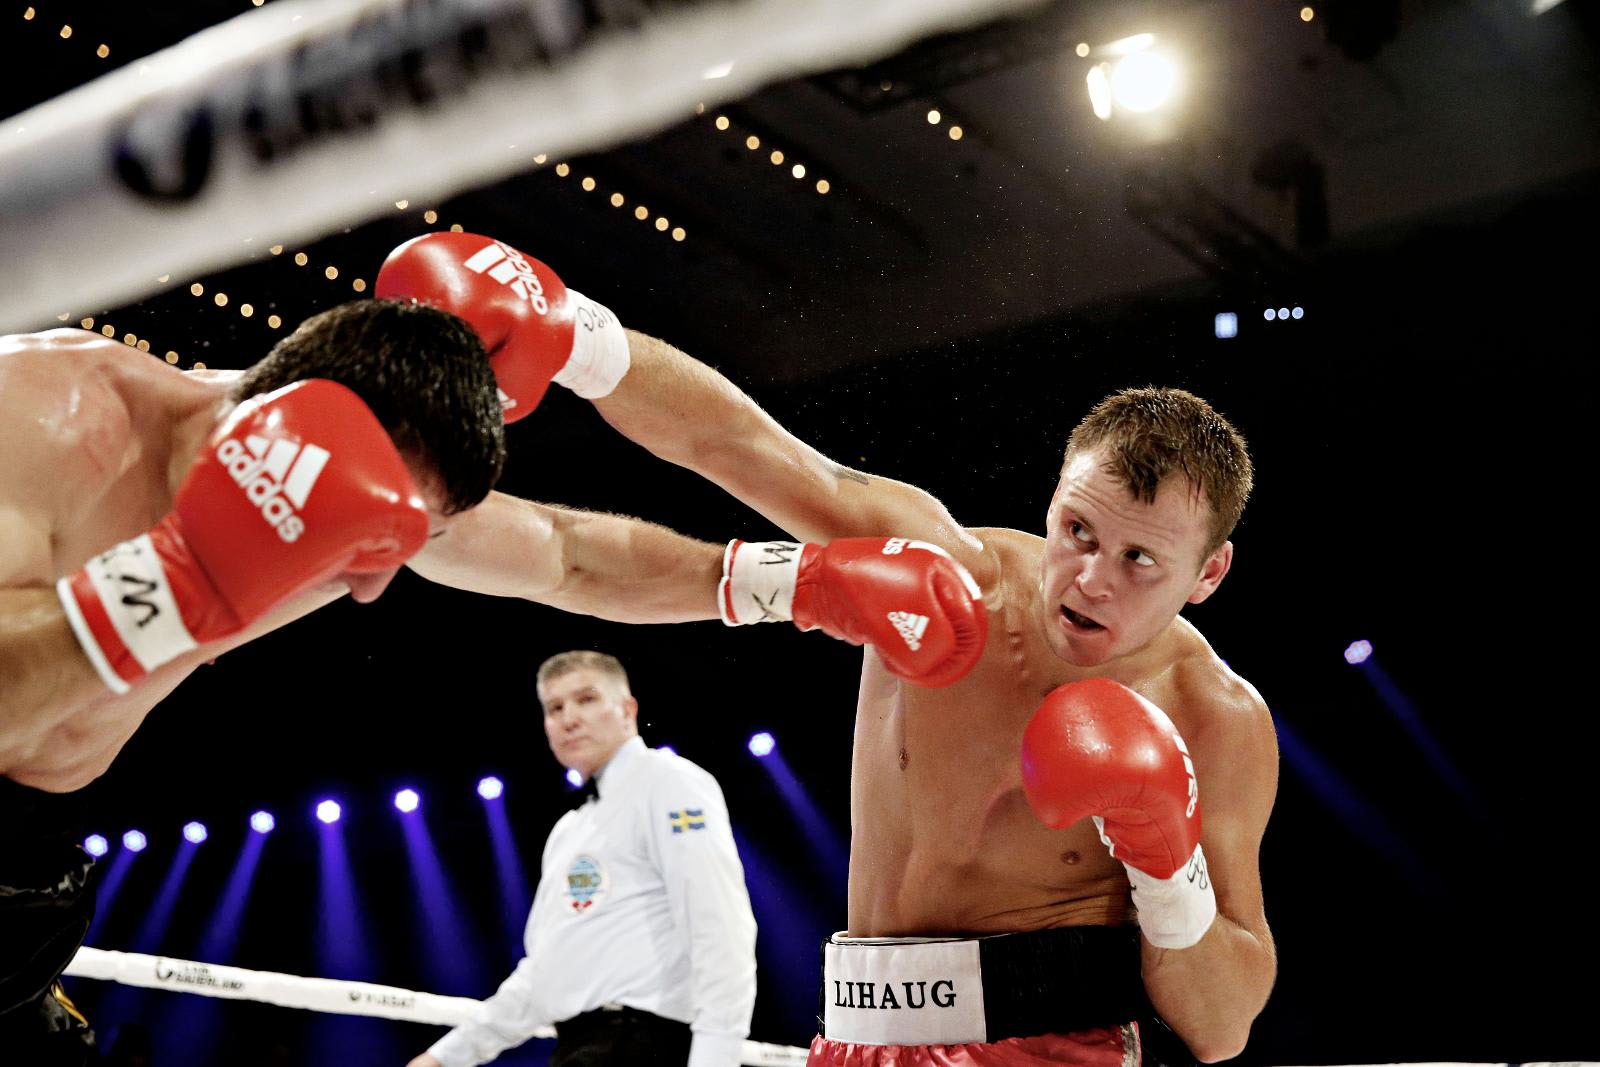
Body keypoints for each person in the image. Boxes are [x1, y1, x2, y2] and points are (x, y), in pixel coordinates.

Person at [0, 294, 984, 1063]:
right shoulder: (39, 418)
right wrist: (183, 579)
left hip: (31, 879)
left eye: (399, 542)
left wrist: (798, 583)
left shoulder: (376, 486)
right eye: (366, 540)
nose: (370, 582)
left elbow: (565, 554)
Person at [380, 232, 1278, 1067]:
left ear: (1208, 573)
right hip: (850, 1036)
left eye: (1139, 560)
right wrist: (575, 333)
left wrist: (1168, 862)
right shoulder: (947, 574)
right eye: (1078, 530)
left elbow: (1222, 1025)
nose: (1091, 578)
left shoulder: (1212, 714)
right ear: (1053, 498)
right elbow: (738, 446)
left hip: (1049, 1049)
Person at [405, 651, 757, 1067]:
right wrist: (441, 1058)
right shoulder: (570, 830)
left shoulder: (669, 782)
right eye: (555, 708)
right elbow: (542, 976)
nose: (569, 718)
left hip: (645, 1042)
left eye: (586, 699)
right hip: (581, 1047)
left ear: (627, 710)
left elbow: (718, 922)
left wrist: (716, 1056)